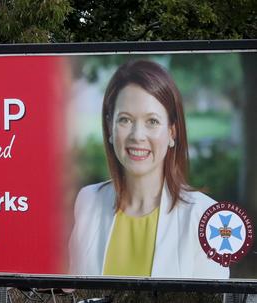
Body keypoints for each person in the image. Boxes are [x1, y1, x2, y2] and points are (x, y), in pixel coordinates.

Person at [68, 59, 228, 279]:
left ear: (172, 132)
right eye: (125, 120)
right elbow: (71, 292)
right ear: (109, 127)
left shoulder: (205, 217)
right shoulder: (88, 201)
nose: (137, 136)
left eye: (152, 121)